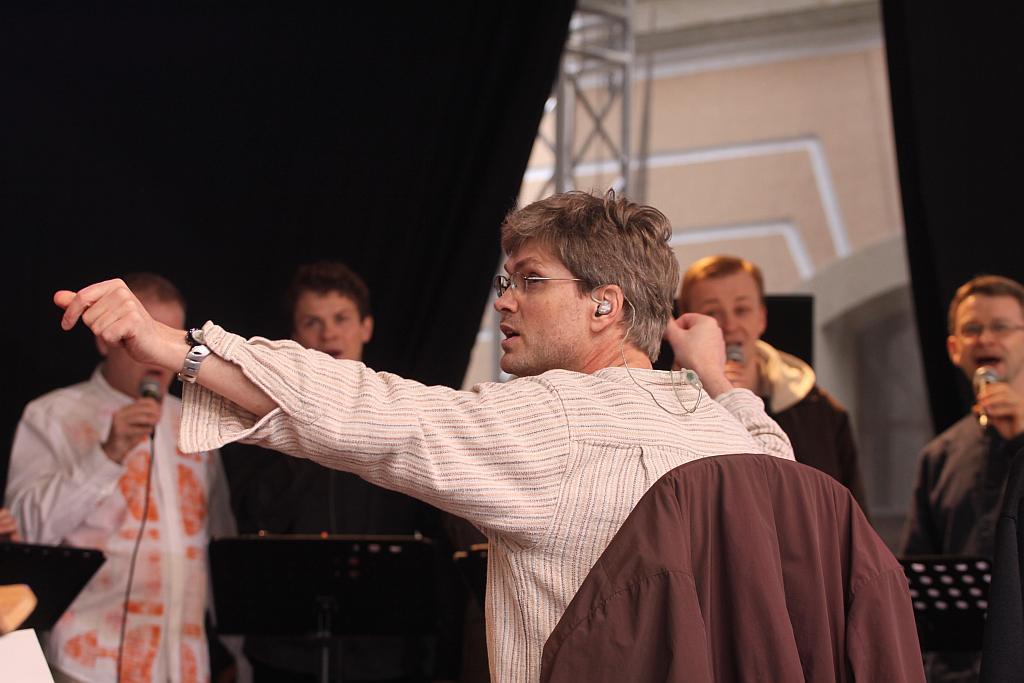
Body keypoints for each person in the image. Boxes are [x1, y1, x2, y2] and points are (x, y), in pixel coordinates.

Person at [53, 190, 794, 683]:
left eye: (529, 280)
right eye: (505, 280)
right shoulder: (726, 432)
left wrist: (175, 347)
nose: (504, 301)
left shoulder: (554, 423)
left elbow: (371, 409)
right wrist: (716, 378)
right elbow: (777, 455)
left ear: (605, 305)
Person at [221, 261, 459, 682]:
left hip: (386, 659)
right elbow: (251, 520)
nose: (328, 334)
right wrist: (305, 423)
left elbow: (435, 543)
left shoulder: (405, 414)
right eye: (312, 322)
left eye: (341, 319)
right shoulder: (261, 421)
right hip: (286, 659)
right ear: (294, 335)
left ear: (366, 327)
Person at [6, 273, 235, 683]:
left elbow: (219, 542)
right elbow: (24, 533)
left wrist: (237, 653)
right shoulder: (53, 415)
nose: (158, 352)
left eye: (172, 337)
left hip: (181, 662)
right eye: (141, 333)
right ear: (105, 339)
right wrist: (107, 455)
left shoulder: (194, 422)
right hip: (87, 662)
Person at [900, 274, 1024, 683]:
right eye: (972, 329)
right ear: (954, 349)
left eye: (1001, 327)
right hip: (956, 671)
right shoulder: (940, 455)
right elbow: (916, 572)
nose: (985, 339)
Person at [677, 255, 867, 506]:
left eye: (742, 310)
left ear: (761, 318)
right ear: (686, 323)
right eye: (712, 313)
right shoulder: (671, 408)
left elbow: (850, 511)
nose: (730, 325)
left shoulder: (819, 412)